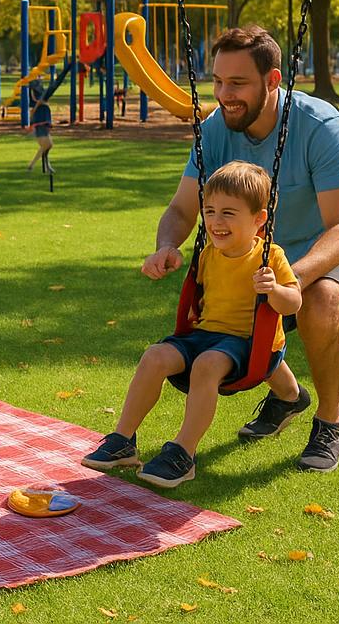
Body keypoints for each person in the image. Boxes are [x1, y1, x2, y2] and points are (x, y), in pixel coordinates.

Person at [142, 26, 339, 472]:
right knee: (233, 308)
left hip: (331, 250)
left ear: (272, 80)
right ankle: (288, 396)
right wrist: (167, 244)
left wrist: (291, 280)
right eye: (219, 82)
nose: (225, 94)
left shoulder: (322, 127)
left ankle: (329, 420)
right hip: (255, 254)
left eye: (238, 83)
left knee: (318, 307)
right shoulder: (215, 130)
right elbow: (181, 209)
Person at [83, 162, 302, 487]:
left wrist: (275, 289)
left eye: (229, 213)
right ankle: (123, 440)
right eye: (210, 211)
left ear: (258, 219)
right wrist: (165, 260)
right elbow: (193, 290)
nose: (216, 221)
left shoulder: (270, 257)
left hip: (248, 343)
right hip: (203, 334)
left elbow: (293, 303)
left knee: (207, 364)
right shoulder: (208, 254)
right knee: (155, 355)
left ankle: (183, 453)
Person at [27, 95, 53, 174]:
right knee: (46, 146)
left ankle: (45, 166)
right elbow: (33, 117)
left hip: (42, 127)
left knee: (48, 146)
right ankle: (33, 164)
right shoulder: (38, 107)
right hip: (39, 128)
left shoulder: (43, 107)